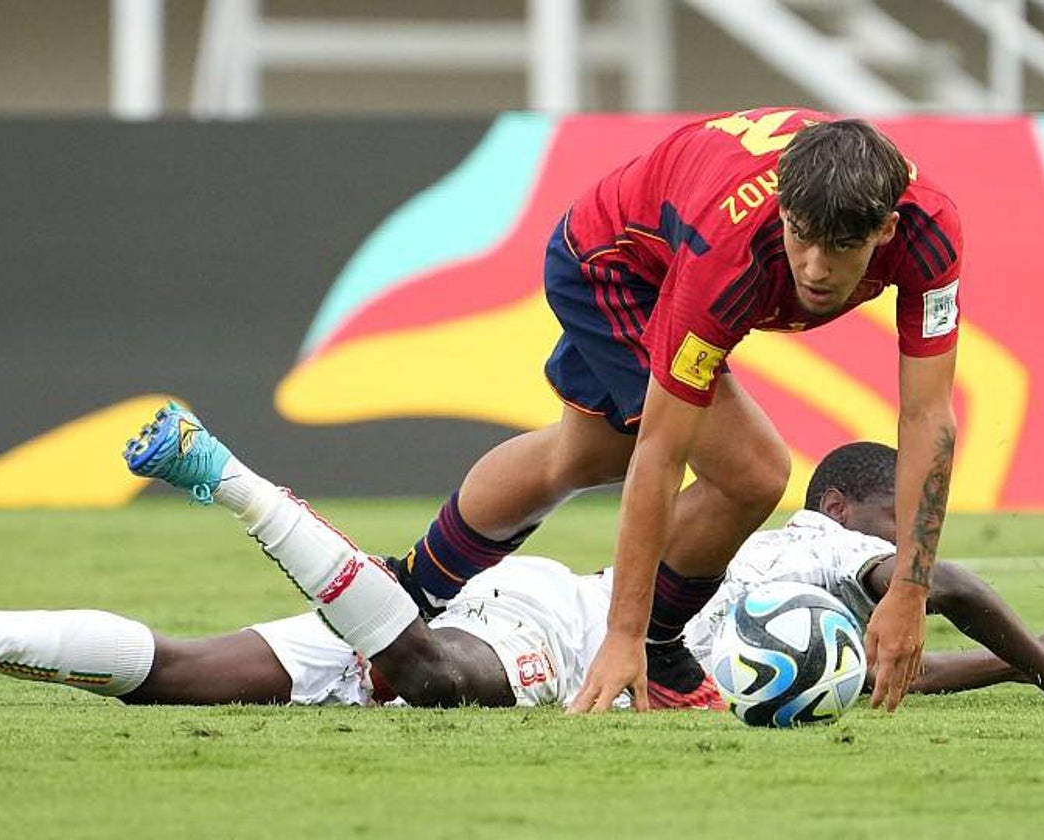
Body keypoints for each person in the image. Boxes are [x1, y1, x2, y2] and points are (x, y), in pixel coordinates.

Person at [365, 107, 962, 714]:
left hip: (666, 241)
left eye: (841, 247)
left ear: (886, 230)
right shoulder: (729, 257)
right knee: (751, 474)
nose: (815, 267)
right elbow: (662, 451)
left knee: (585, 454)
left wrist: (911, 591)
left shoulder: (931, 233)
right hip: (614, 268)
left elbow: (926, 418)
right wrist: (624, 636)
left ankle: (407, 588)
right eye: (801, 236)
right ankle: (657, 646)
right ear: (783, 208)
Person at [0, 413, 1044, 709]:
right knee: (440, 681)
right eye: (901, 526)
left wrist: (1004, 673)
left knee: (173, 676)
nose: (912, 553)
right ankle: (228, 476)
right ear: (850, 507)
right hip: (561, 631)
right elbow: (951, 589)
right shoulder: (827, 541)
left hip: (521, 604)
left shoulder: (809, 624)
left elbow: (866, 671)